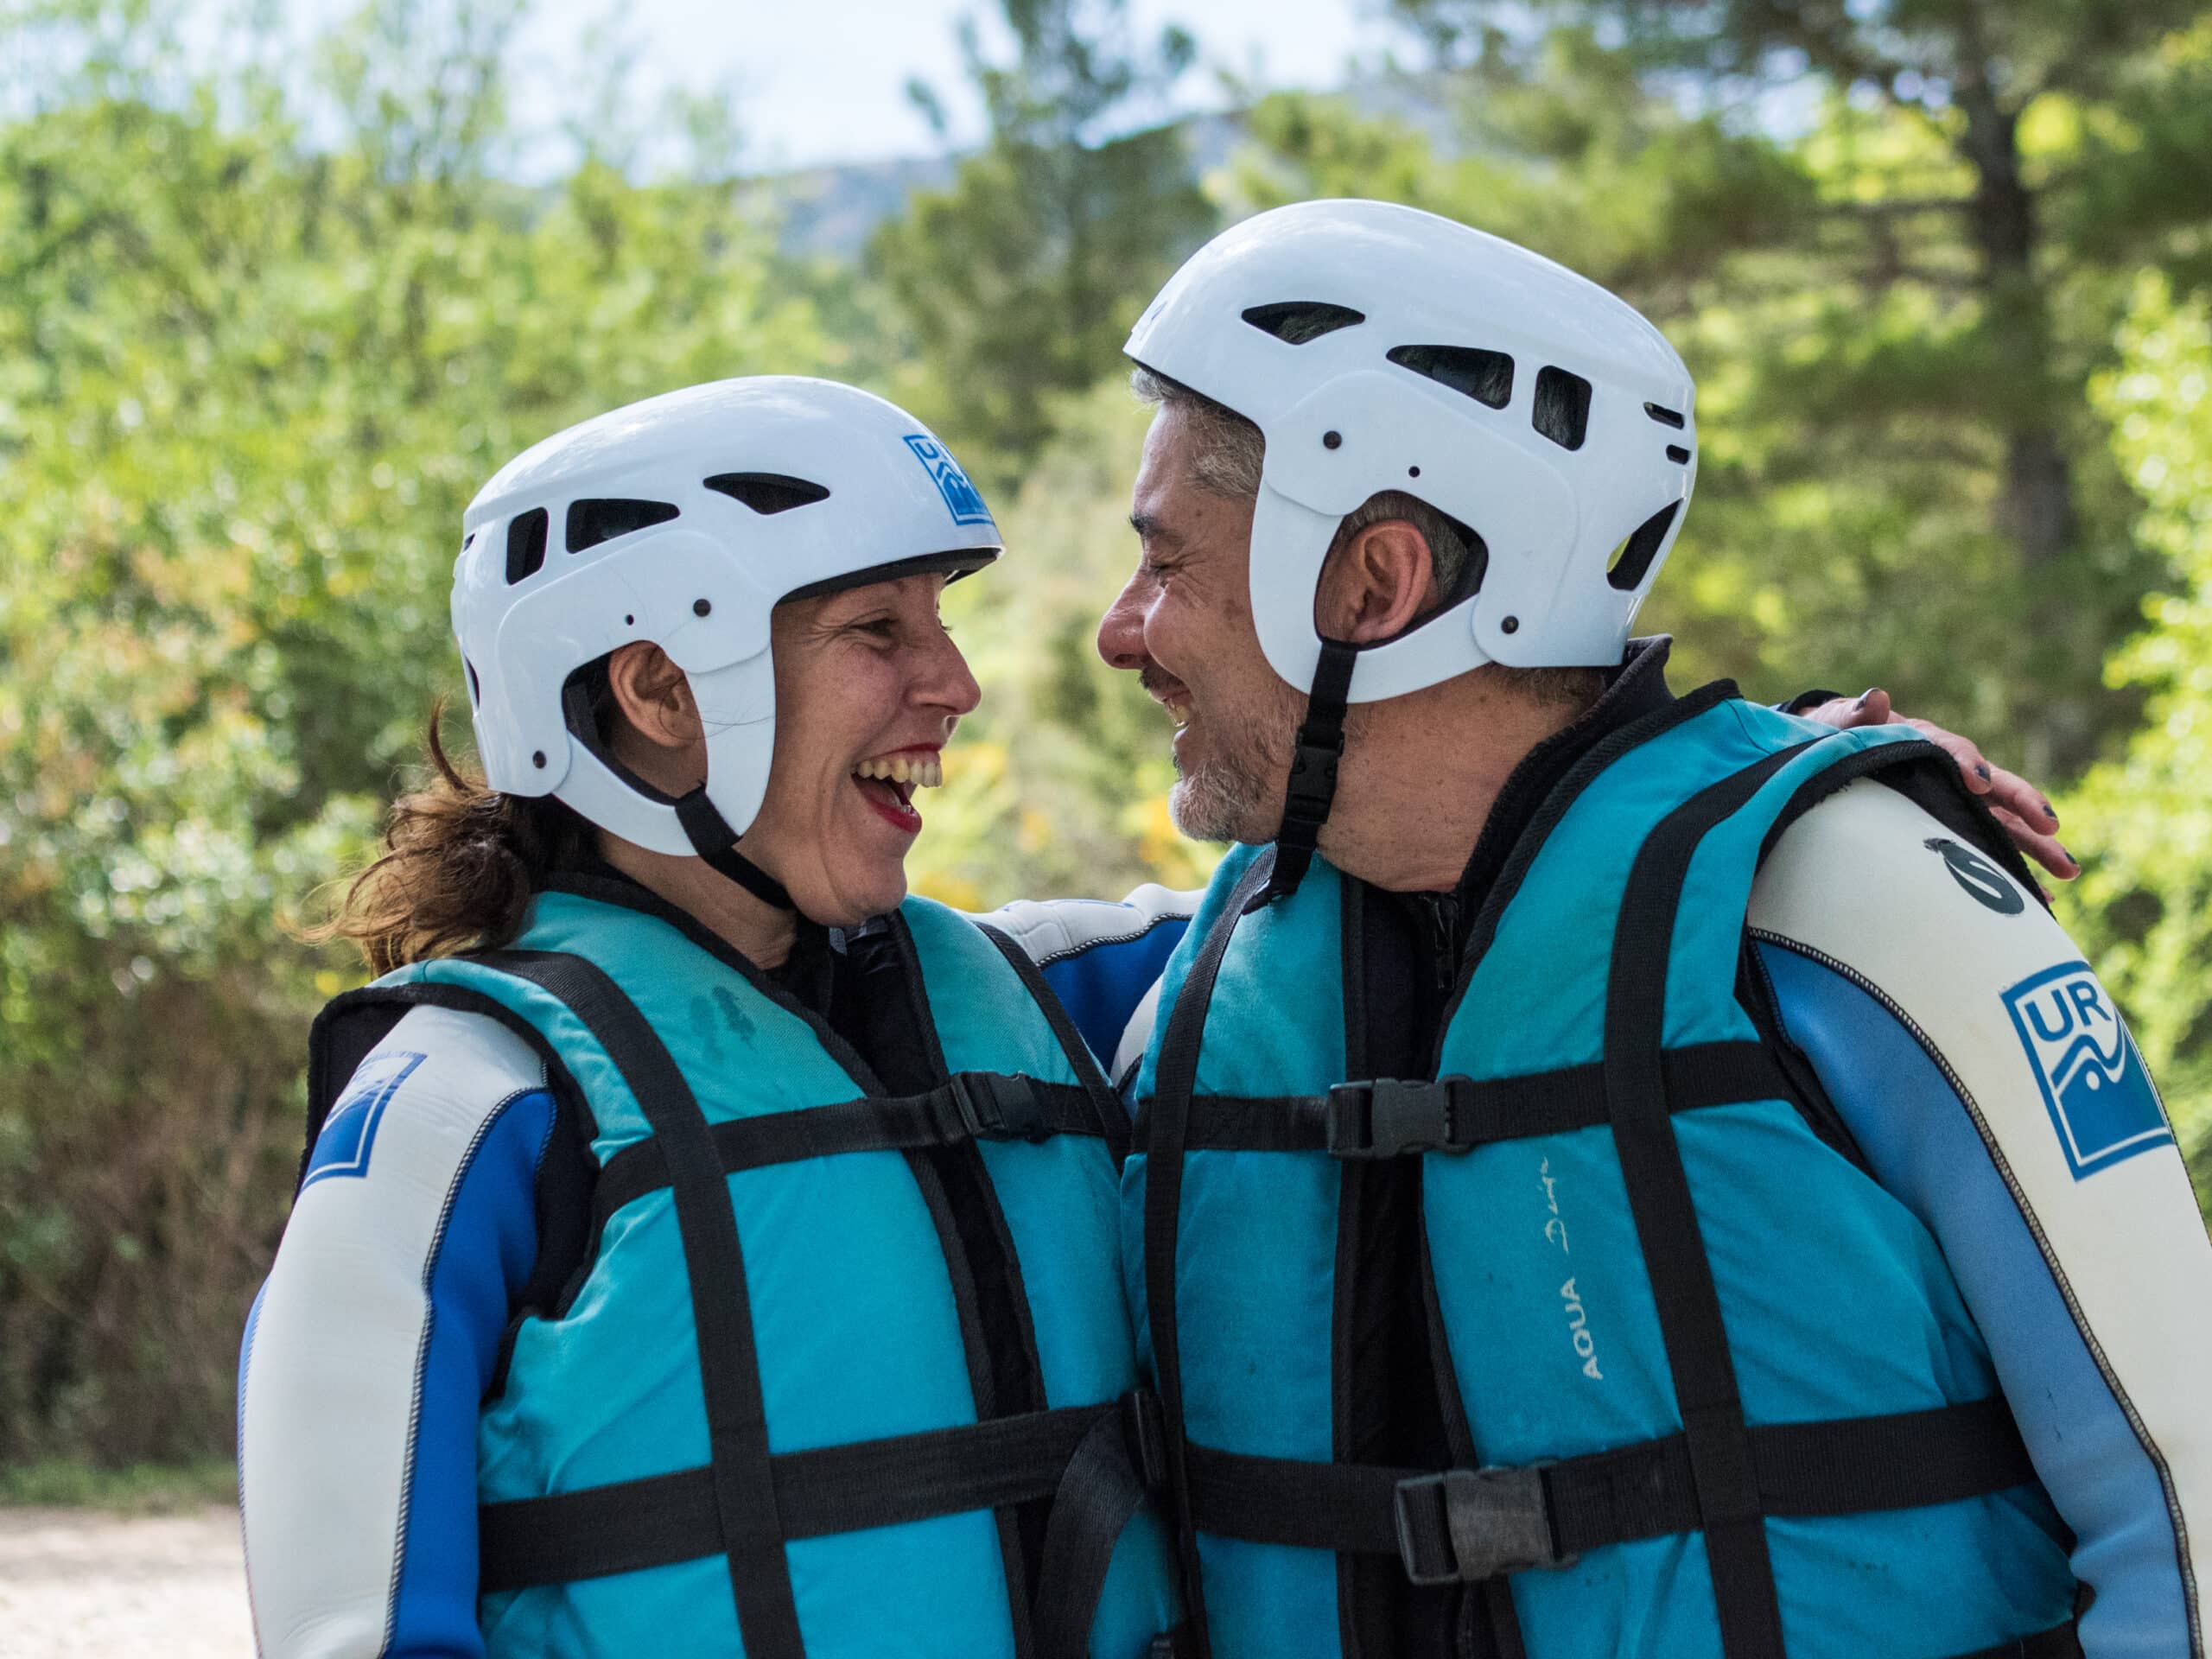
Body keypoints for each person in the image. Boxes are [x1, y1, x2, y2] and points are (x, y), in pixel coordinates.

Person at [1086, 200, 2211, 1659]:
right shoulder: (1197, 983)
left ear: (1370, 585)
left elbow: (2186, 1503)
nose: (1123, 628)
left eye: (1169, 563)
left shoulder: (1863, 909)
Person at [236, 377, 1183, 1659]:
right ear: (659, 693)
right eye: (876, 630)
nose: (953, 682)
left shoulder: (1056, 1002)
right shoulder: (462, 1106)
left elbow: (1352, 908)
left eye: (939, 622)